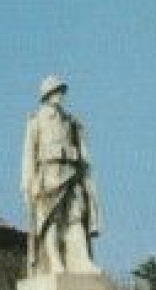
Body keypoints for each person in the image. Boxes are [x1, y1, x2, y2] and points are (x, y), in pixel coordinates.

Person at [21, 75, 100, 274]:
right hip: (48, 175)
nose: (60, 95)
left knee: (76, 215)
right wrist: (27, 183)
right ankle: (55, 261)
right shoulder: (37, 120)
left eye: (61, 91)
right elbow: (28, 154)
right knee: (50, 219)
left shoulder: (70, 120)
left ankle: (82, 260)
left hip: (71, 174)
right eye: (56, 91)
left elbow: (82, 152)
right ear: (47, 95)